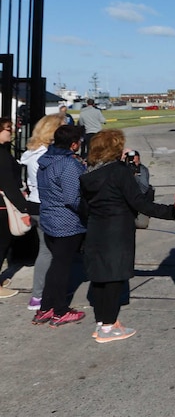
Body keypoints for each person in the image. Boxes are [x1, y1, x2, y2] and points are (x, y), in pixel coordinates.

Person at [79, 130, 175, 343]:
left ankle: (103, 322)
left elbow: (84, 207)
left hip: (96, 229)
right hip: (117, 230)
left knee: (100, 278)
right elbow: (139, 202)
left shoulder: (88, 175)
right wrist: (170, 211)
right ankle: (108, 327)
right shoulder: (119, 172)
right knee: (115, 278)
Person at [32, 124, 87, 327]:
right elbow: (73, 198)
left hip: (49, 218)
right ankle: (60, 310)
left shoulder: (45, 161)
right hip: (66, 222)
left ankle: (46, 308)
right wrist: (88, 212)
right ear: (73, 145)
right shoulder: (68, 165)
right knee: (62, 268)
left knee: (56, 265)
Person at [19, 114, 66, 309]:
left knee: (46, 251)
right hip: (48, 205)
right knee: (54, 252)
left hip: (35, 204)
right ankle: (45, 295)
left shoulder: (32, 153)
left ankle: (38, 295)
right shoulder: (46, 155)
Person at [0, 117, 30, 299]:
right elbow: (9, 184)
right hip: (3, 205)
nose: (11, 132)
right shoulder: (2, 155)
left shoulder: (4, 151)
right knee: (2, 244)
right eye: (8, 129)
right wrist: (23, 207)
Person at [123, 148, 154, 229]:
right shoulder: (121, 170)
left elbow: (144, 189)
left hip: (139, 202)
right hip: (124, 203)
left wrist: (134, 176)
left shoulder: (143, 170)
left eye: (135, 162)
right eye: (130, 162)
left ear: (139, 161)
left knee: (141, 224)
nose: (133, 164)